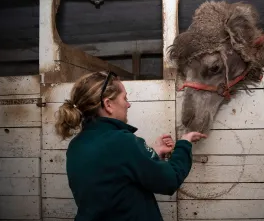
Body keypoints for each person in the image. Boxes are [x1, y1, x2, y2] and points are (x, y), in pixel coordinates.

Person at [54, 71, 207, 221]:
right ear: (108, 104)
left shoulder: (76, 144)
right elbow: (170, 180)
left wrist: (152, 153)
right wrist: (184, 144)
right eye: (124, 98)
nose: (128, 104)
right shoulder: (121, 141)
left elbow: (116, 176)